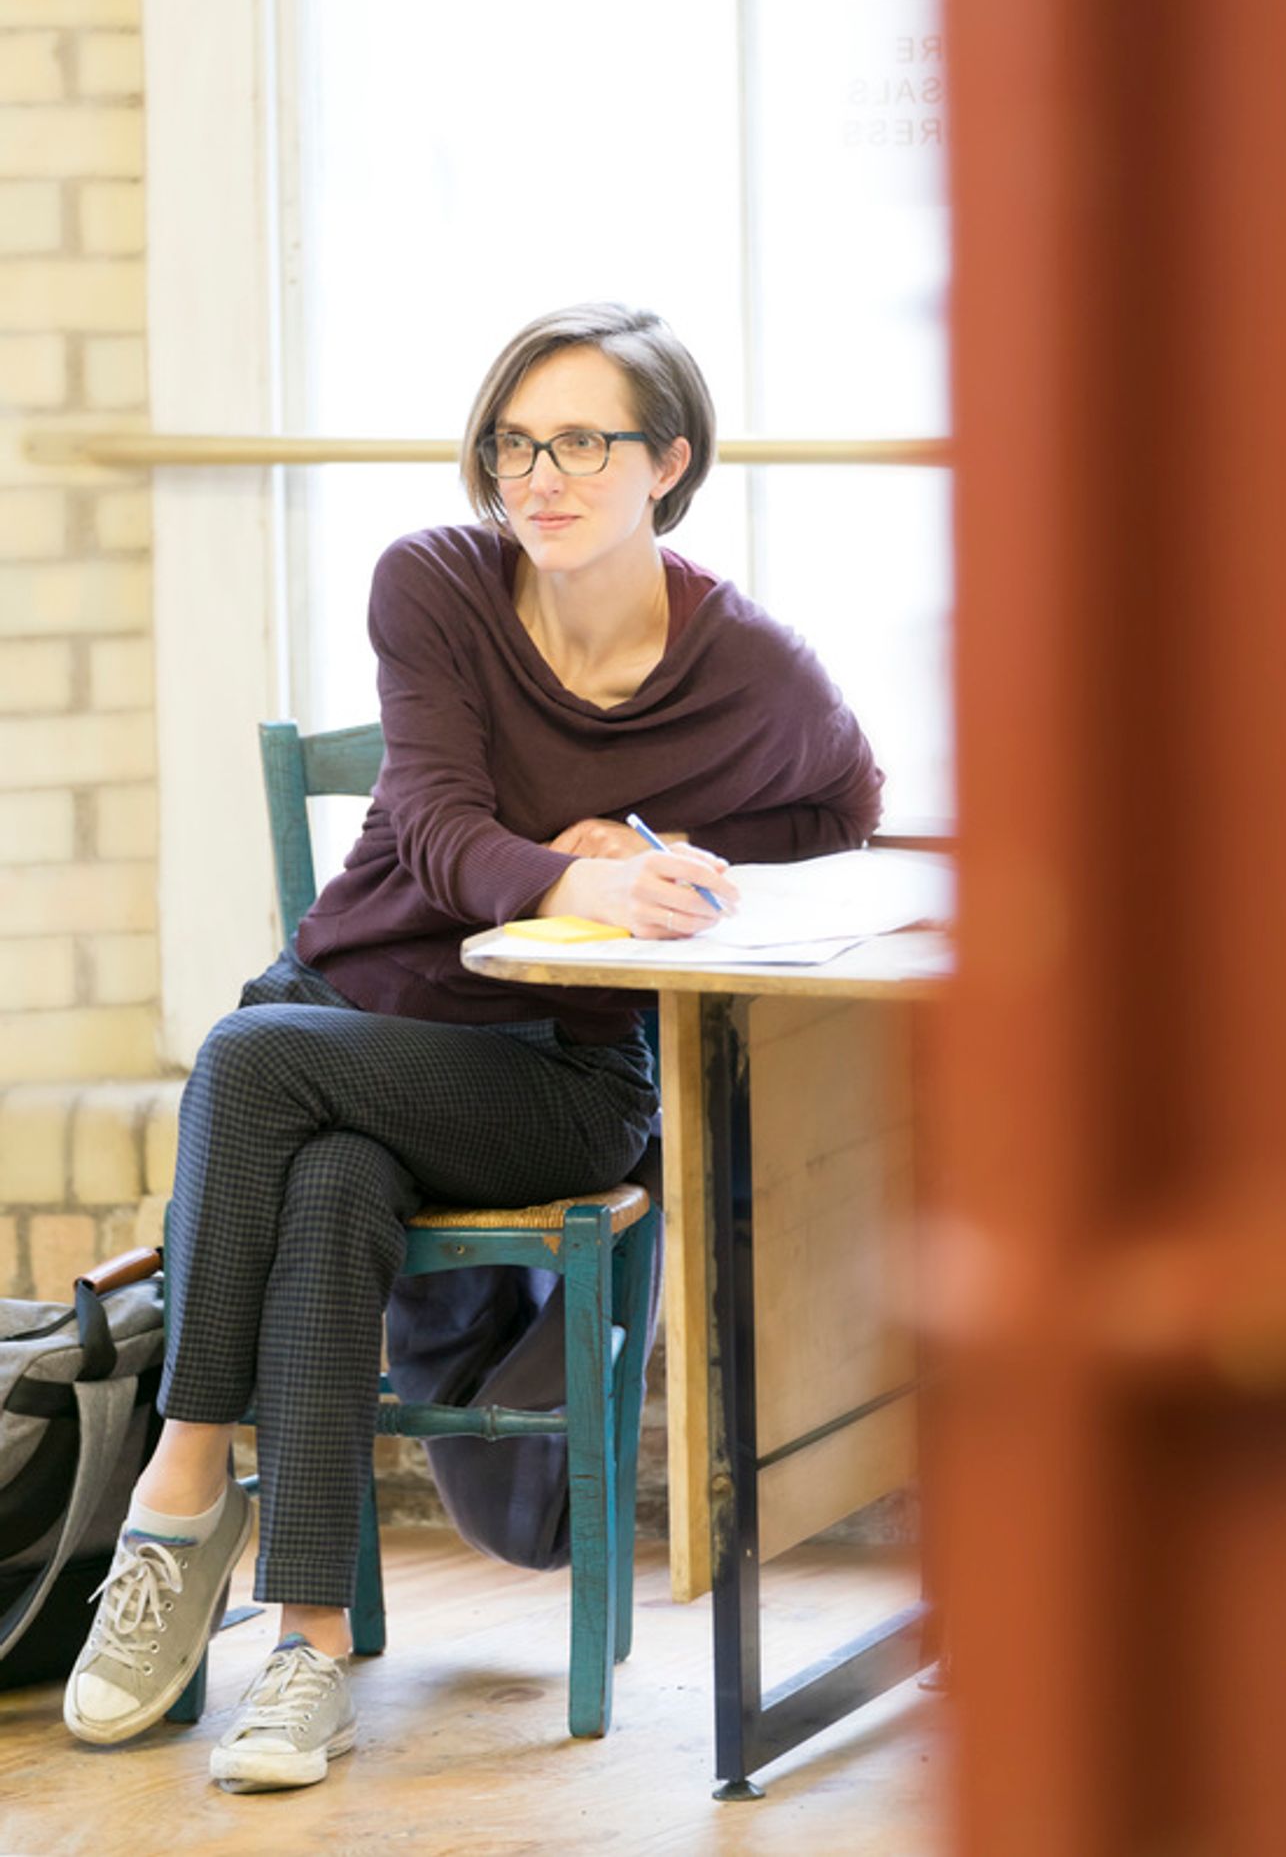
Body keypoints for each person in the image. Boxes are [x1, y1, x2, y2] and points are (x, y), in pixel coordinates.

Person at [62, 301, 883, 1792]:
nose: (539, 475)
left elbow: (845, 813)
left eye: (582, 440)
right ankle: (306, 1649)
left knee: (247, 1072)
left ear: (669, 462)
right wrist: (577, 871)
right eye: (514, 442)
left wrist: (667, 859)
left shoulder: (752, 667)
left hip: (556, 1080)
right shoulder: (435, 584)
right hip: (349, 1017)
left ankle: (179, 1495)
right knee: (320, 1186)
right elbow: (439, 835)